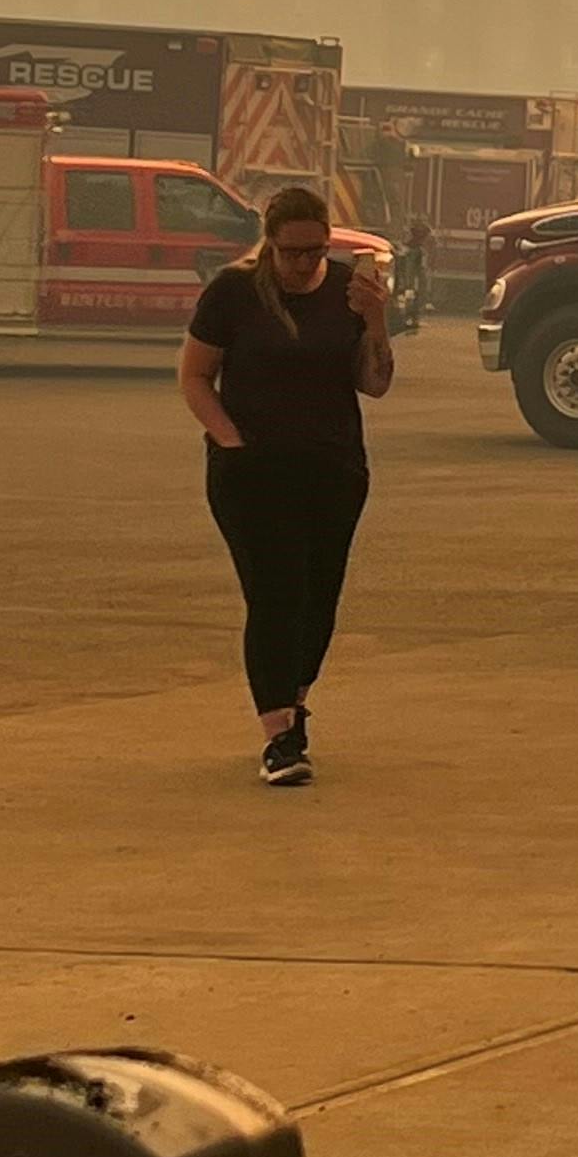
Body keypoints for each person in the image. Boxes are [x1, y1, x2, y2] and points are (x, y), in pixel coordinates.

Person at [179, 181, 393, 784]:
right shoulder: (233, 293)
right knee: (276, 596)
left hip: (333, 470)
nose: (304, 264)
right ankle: (279, 738)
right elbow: (195, 377)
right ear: (269, 244)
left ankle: (294, 708)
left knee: (318, 601)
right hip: (253, 473)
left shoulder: (348, 290)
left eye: (316, 251)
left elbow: (374, 383)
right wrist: (231, 442)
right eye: (292, 252)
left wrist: (375, 318)